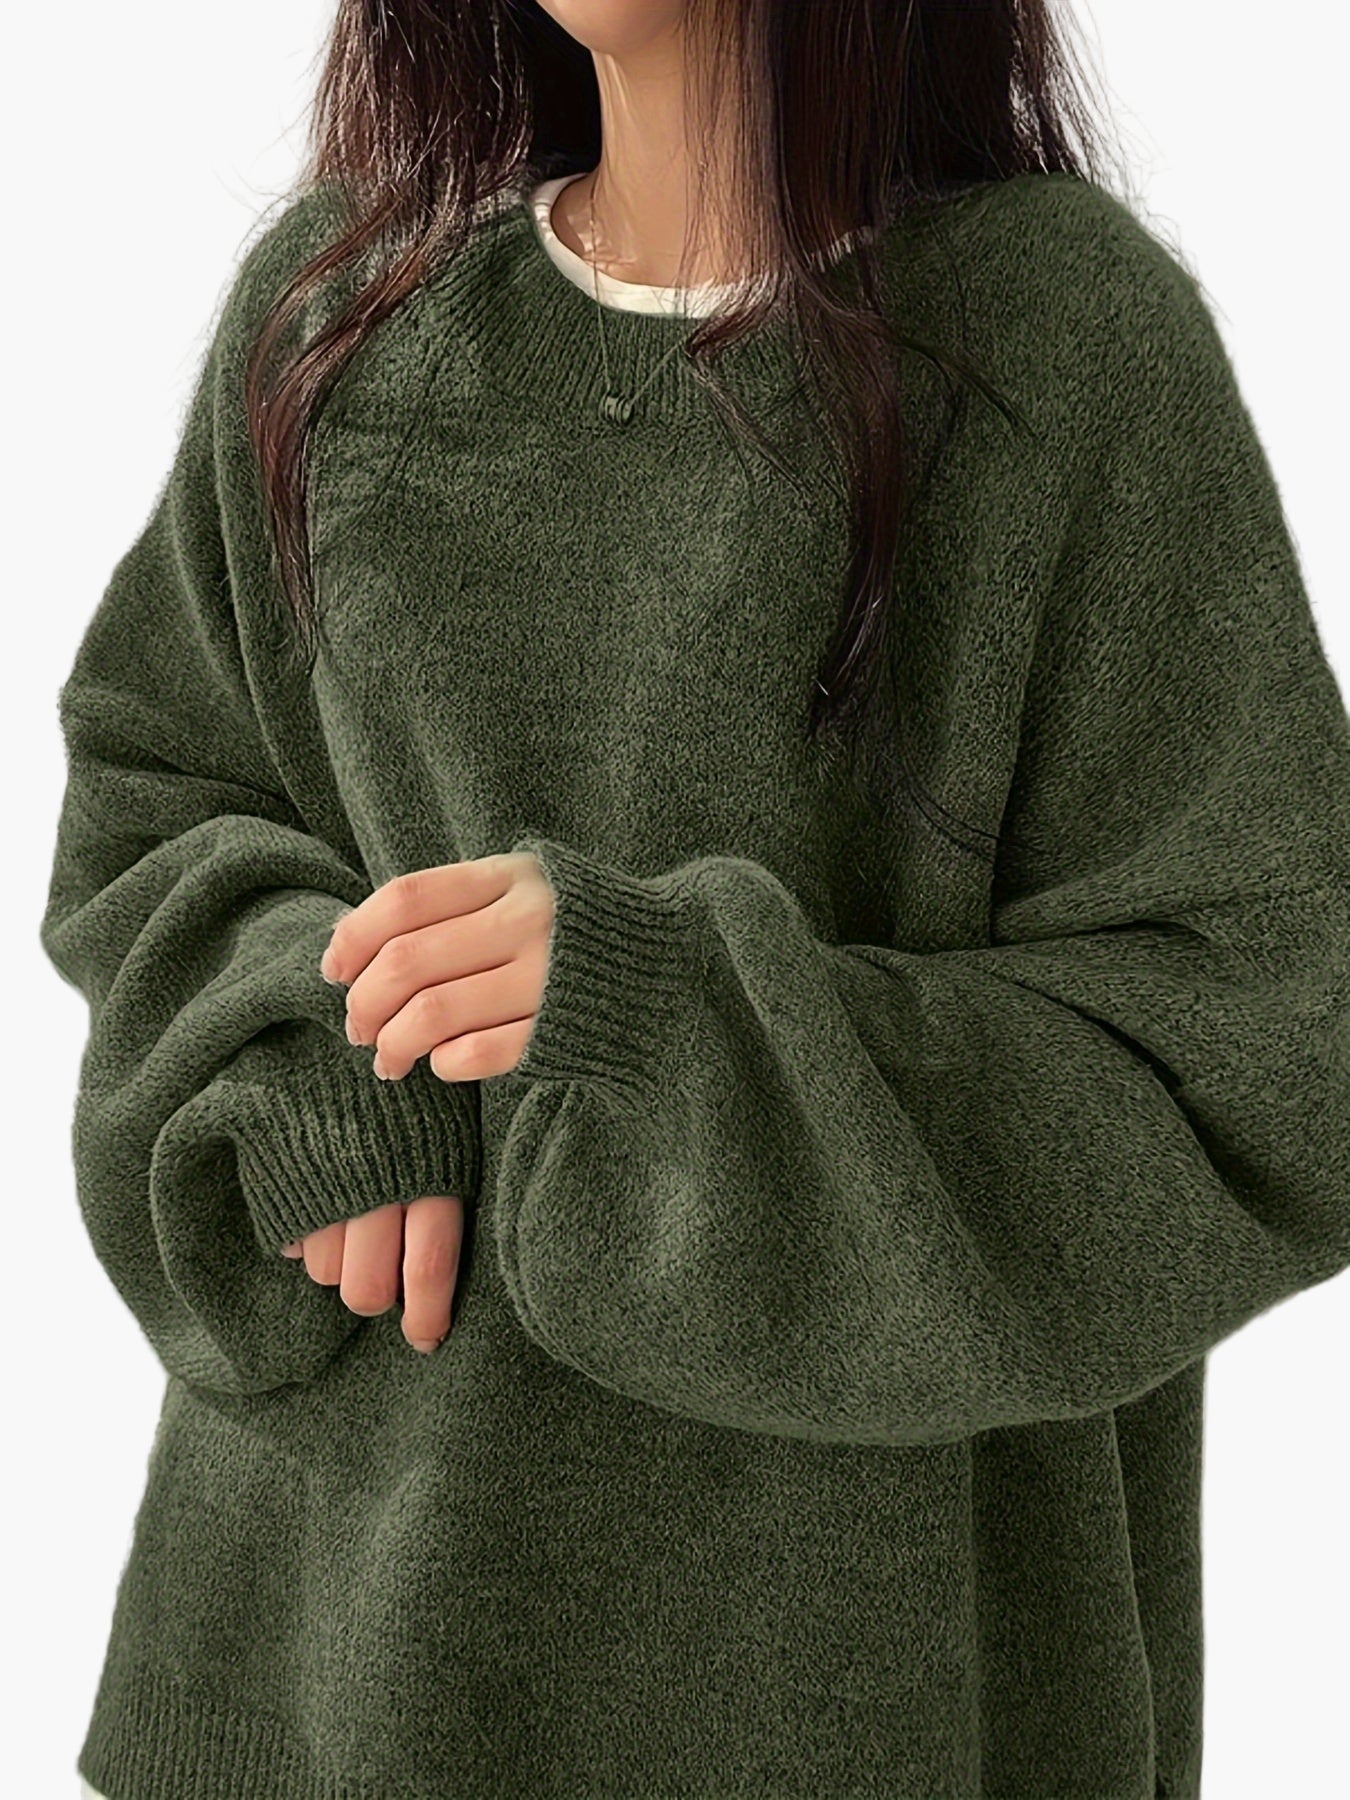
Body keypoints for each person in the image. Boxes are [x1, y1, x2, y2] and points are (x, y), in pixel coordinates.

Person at [44, 2, 1350, 1797]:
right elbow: (156, 793)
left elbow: (1273, 1055)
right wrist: (313, 1054)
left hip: (862, 1697)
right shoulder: (339, 309)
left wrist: (660, 1016)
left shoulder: (1058, 346)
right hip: (324, 1678)